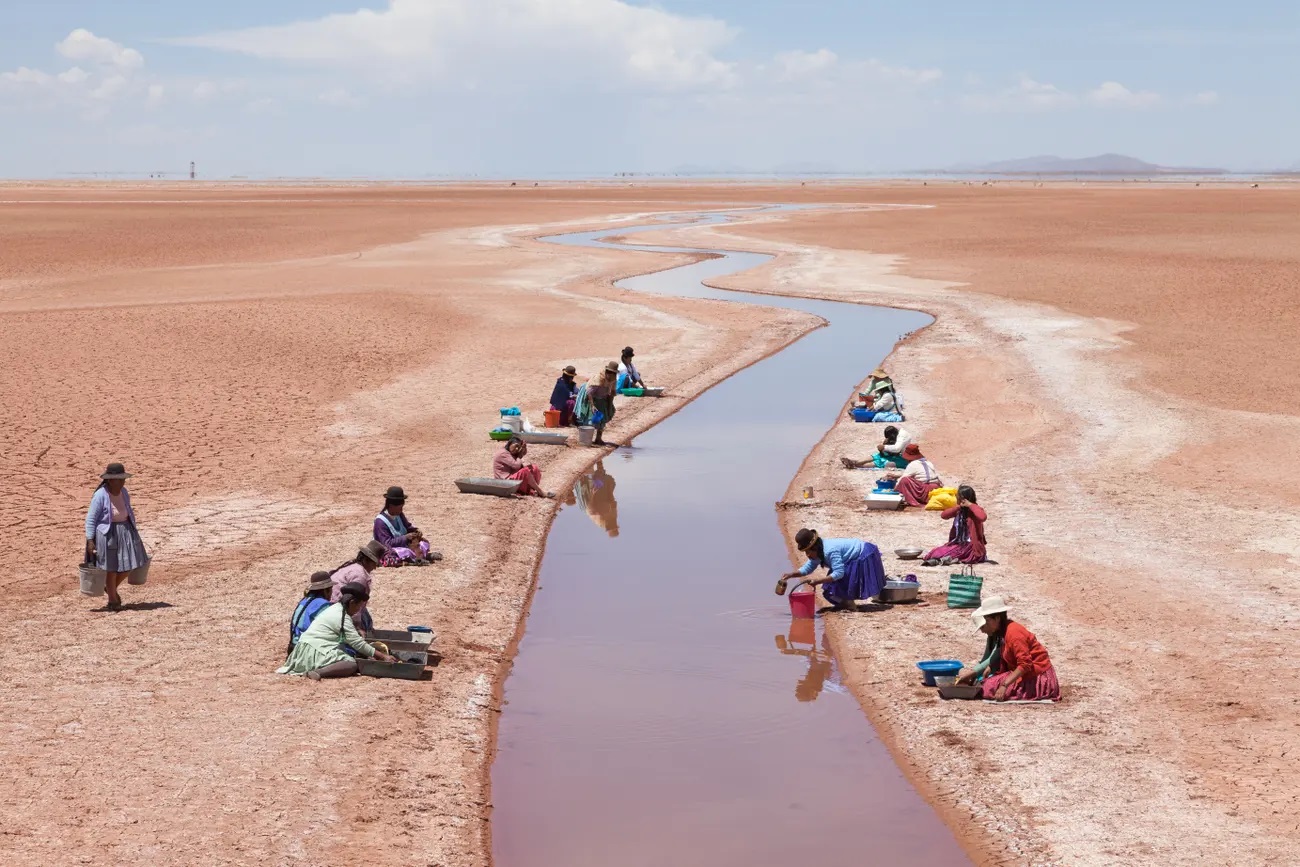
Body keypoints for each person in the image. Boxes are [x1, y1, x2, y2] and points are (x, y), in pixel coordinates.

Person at [277, 582, 399, 679]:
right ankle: (318, 672)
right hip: (313, 649)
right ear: (352, 603)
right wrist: (382, 656)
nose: (357, 610)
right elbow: (357, 643)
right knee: (351, 664)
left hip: (306, 646)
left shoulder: (336, 609)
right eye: (358, 606)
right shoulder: (342, 616)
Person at [957, 597, 1061, 702]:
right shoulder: (1003, 632)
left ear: (997, 618)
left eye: (987, 621)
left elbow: (1025, 664)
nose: (986, 625)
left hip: (1037, 676)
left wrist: (1004, 685)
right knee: (987, 683)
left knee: (987, 688)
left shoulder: (1014, 633)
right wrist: (990, 667)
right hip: (1025, 673)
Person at [84, 462, 148, 611]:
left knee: (131, 563)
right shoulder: (100, 495)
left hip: (125, 530)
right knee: (111, 567)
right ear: (111, 480)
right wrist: (90, 540)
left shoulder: (124, 492)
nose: (122, 482)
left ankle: (110, 588)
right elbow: (91, 519)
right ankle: (113, 600)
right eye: (119, 479)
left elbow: (128, 510)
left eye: (123, 479)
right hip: (107, 533)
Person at [777, 528, 887, 610]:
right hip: (850, 560)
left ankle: (848, 602)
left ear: (815, 547)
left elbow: (839, 573)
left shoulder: (830, 551)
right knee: (830, 590)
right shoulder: (817, 554)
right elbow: (807, 568)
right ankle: (845, 602)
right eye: (806, 552)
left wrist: (818, 581)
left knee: (835, 582)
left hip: (862, 554)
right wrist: (791, 575)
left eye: (808, 551)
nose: (807, 554)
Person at [329, 540, 386, 634]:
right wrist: (357, 628)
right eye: (374, 564)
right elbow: (354, 603)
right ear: (366, 560)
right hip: (338, 608)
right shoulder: (360, 575)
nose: (375, 568)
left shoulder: (353, 567)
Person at [923, 484, 987, 566]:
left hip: (971, 547)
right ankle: (946, 559)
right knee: (934, 553)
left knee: (945, 553)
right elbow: (944, 515)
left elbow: (983, 517)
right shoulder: (959, 510)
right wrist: (958, 507)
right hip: (958, 543)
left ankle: (945, 560)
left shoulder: (975, 510)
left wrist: (970, 505)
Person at [373, 486, 437, 566]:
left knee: (423, 542)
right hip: (390, 549)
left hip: (404, 545)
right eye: (400, 508)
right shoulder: (380, 522)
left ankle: (420, 557)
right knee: (397, 553)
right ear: (391, 506)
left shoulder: (399, 515)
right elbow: (386, 543)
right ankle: (415, 561)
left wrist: (415, 531)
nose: (401, 510)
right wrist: (405, 538)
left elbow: (407, 527)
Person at [287, 571, 334, 655]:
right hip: (307, 650)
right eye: (331, 589)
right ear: (326, 590)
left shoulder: (303, 602)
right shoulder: (323, 605)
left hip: (294, 645)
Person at [841, 425, 912, 470]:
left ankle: (855, 464)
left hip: (899, 458)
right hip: (890, 455)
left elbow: (897, 449)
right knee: (876, 456)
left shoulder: (902, 437)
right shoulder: (894, 435)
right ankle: (855, 462)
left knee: (879, 462)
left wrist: (884, 447)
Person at [587, 361, 620, 446]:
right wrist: (592, 405)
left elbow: (612, 393)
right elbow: (589, 393)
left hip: (603, 399)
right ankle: (587, 439)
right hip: (592, 398)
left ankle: (598, 438)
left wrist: (609, 406)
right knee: (593, 419)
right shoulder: (599, 379)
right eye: (614, 374)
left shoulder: (613, 380)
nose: (615, 376)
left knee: (602, 419)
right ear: (609, 373)